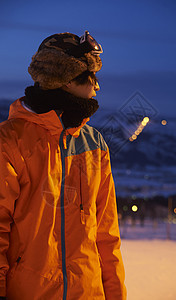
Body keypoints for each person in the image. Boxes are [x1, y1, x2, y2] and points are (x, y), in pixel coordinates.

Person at [0, 30, 127, 300]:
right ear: (67, 80)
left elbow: (106, 235)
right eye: (91, 77)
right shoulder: (10, 141)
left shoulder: (95, 143)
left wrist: (115, 295)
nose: (97, 86)